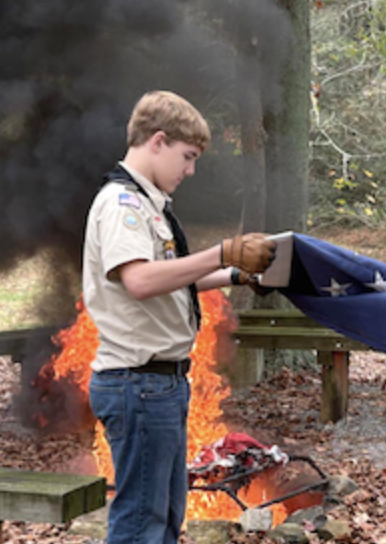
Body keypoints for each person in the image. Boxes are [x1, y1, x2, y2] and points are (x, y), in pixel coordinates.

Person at [82, 90, 276, 544]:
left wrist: (235, 273)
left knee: (165, 519)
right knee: (141, 525)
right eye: (187, 157)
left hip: (159, 385)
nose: (189, 171)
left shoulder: (150, 205)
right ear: (158, 141)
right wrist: (221, 251)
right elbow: (141, 281)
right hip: (138, 384)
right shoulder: (122, 205)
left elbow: (171, 281)